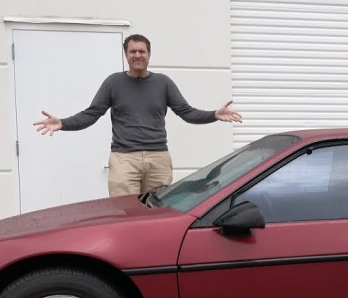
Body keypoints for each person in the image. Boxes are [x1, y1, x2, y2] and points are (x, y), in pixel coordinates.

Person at [33, 34, 243, 197]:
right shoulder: (113, 83)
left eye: (142, 51)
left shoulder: (163, 83)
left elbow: (186, 113)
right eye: (132, 51)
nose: (137, 55)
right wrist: (63, 123)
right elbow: (92, 114)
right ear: (126, 55)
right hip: (124, 159)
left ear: (149, 55)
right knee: (125, 214)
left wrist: (214, 114)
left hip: (158, 158)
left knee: (157, 213)